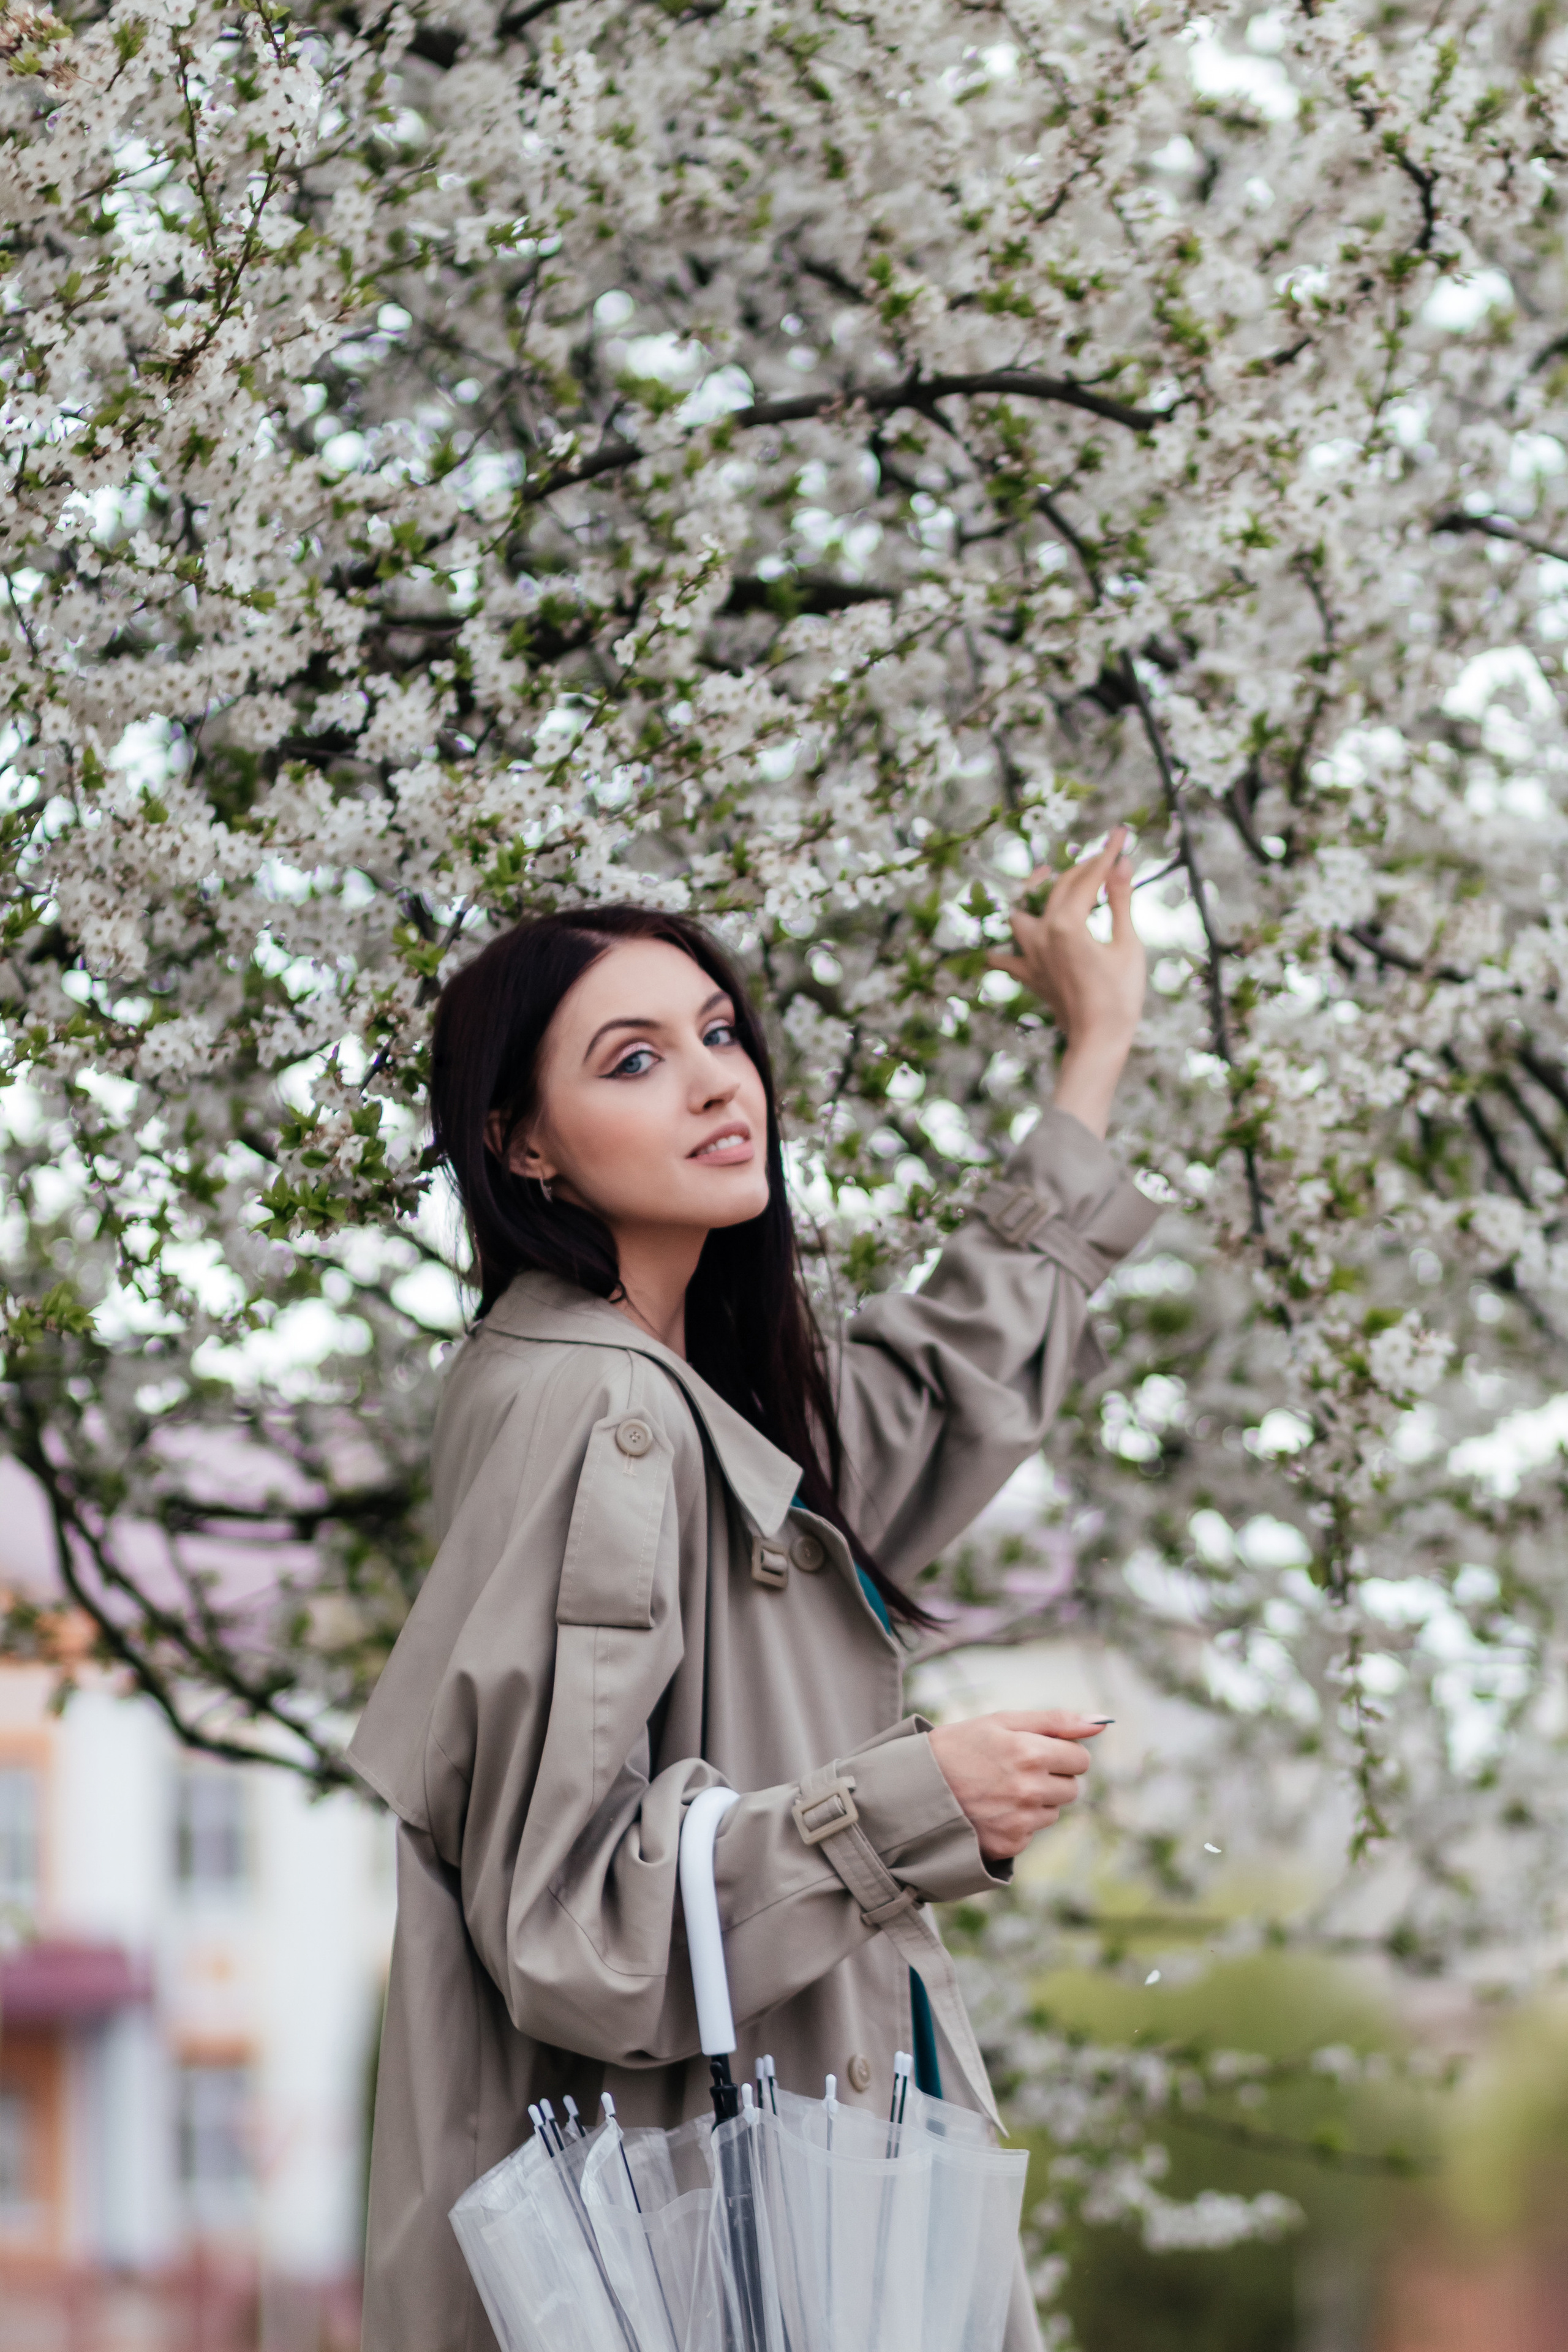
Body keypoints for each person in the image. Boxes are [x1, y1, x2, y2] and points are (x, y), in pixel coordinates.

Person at [349, 831, 1154, 2352]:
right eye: (635, 1059)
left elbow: (937, 1394)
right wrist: (913, 1805)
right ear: (524, 1143)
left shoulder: (696, 1394)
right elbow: (571, 1914)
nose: (719, 1081)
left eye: (719, 1036)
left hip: (793, 2190)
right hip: (716, 2231)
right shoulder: (601, 1411)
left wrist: (1093, 1049)